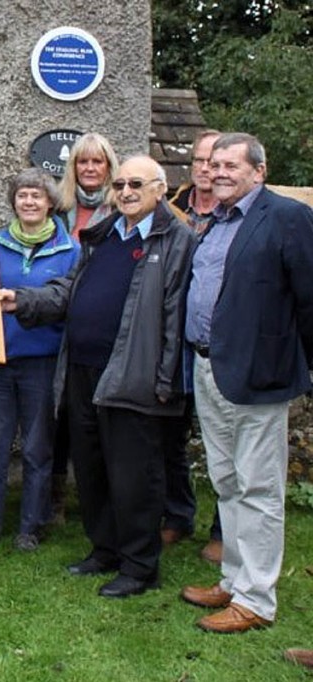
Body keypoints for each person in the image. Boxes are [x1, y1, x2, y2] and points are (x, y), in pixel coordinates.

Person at [0, 155, 195, 598]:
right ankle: (105, 549)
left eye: (137, 184)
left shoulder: (175, 239)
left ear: (160, 189)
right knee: (91, 469)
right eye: (121, 184)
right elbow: (70, 290)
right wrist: (23, 302)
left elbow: (174, 314)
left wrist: (166, 381)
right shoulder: (105, 234)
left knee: (134, 476)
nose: (126, 191)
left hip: (134, 375)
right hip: (83, 371)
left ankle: (140, 566)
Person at [180, 133, 313, 633]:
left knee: (258, 488)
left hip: (260, 375)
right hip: (209, 367)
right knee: (228, 481)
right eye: (213, 165)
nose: (219, 173)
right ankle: (234, 581)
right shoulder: (214, 223)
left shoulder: (286, 217)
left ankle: (257, 600)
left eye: (231, 165)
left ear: (259, 170)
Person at [0, 168, 79, 552]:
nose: (29, 202)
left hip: (42, 364)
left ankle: (31, 525)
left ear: (50, 203)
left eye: (37, 196)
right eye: (22, 195)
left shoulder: (70, 252)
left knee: (37, 450)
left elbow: (70, 308)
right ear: (13, 202)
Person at [50, 132, 120, 523]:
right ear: (72, 167)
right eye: (83, 162)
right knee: (57, 414)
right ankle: (55, 497)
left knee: (97, 415)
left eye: (98, 162)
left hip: (97, 327)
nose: (90, 169)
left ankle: (100, 497)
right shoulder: (57, 211)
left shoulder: (119, 211)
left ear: (109, 167)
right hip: (55, 326)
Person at [165, 129, 224, 563]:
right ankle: (177, 514)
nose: (206, 168)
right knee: (169, 435)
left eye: (215, 161)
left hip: (217, 346)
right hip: (172, 341)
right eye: (200, 160)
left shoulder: (235, 214)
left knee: (223, 443)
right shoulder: (170, 208)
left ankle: (224, 530)